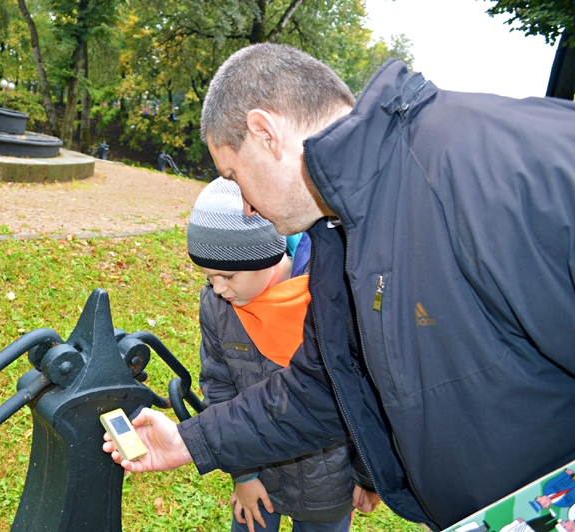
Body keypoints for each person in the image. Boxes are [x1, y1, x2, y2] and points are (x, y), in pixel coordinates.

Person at [104, 43, 575, 531]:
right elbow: (326, 387)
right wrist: (190, 441)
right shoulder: (338, 236)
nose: (245, 207)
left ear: (265, 133)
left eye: (234, 176)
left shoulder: (500, 162)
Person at [187, 177, 364, 532]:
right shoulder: (217, 306)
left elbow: (362, 394)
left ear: (264, 257)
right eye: (209, 276)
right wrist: (243, 474)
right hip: (258, 478)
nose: (218, 288)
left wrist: (367, 475)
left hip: (329, 484)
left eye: (227, 276)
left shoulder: (330, 297)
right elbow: (218, 385)